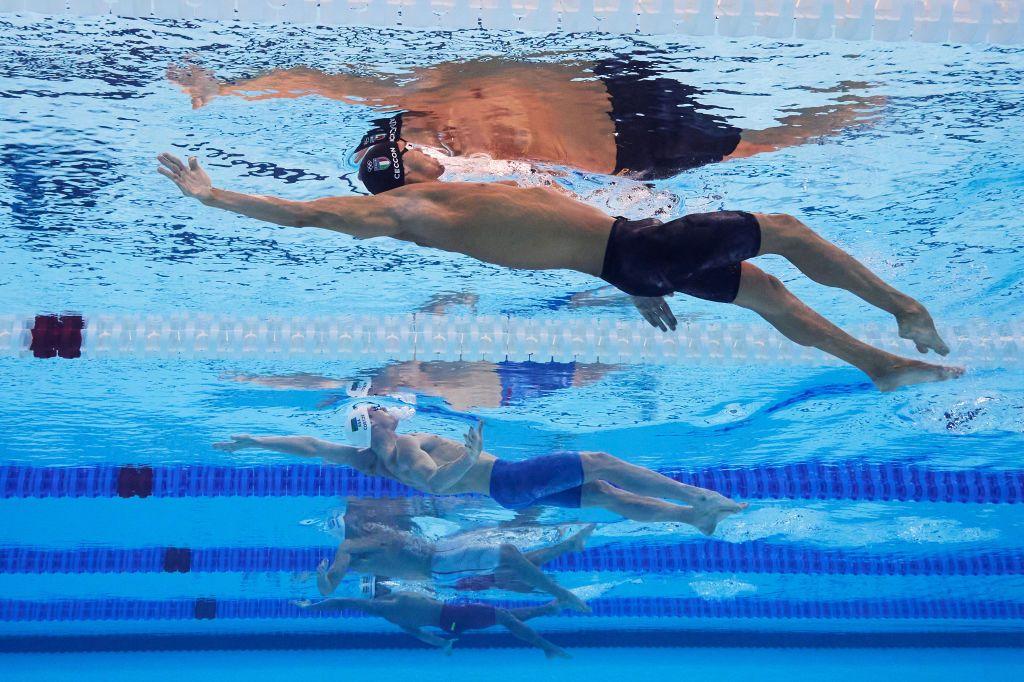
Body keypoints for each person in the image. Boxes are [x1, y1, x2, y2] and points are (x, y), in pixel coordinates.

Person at [158, 151, 962, 391]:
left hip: (632, 262)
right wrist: (212, 195)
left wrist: (635, 290)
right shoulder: (406, 210)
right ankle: (904, 312)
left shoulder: (450, 197)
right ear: (400, 169)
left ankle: (882, 367)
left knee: (770, 295)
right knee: (781, 234)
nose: (430, 147)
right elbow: (307, 213)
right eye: (412, 148)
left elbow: (555, 236)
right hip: (639, 253)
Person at [168, 58, 880, 179]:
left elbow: (318, 82)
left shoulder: (428, 89)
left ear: (399, 124)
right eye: (429, 169)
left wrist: (227, 89)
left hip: (614, 80)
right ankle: (867, 104)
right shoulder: (467, 176)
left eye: (419, 146)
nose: (440, 151)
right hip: (639, 147)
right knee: (773, 139)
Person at [213, 404, 747, 533]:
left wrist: (255, 439)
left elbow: (309, 446)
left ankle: (690, 519)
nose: (385, 406)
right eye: (378, 408)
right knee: (601, 464)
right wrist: (468, 457)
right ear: (373, 423)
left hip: (507, 489)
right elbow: (434, 481)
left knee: (606, 495)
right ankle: (697, 497)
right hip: (508, 481)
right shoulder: (399, 451)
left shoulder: (361, 455)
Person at [312, 522, 595, 612]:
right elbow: (331, 585)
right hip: (438, 565)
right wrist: (323, 580)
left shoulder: (374, 531)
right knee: (508, 555)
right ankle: (563, 596)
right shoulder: (350, 547)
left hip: (441, 548)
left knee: (511, 561)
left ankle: (567, 546)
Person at [293, 590, 570, 659]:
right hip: (455, 615)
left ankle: (548, 608)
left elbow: (422, 635)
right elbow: (344, 602)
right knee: (504, 617)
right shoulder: (385, 605)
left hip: (450, 627)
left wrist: (444, 643)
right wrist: (314, 606)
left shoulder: (393, 616)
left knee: (505, 616)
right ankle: (547, 646)